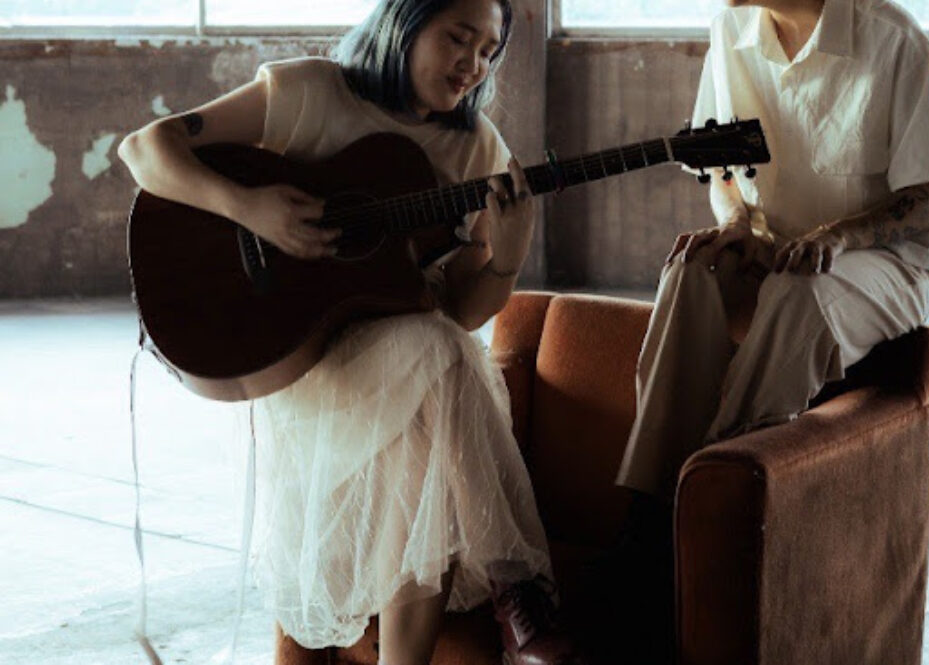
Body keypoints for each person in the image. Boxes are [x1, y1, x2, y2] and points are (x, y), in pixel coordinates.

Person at [117, 1, 583, 663]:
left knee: (428, 427)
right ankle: (519, 585)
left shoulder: (478, 149)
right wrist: (251, 208)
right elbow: (144, 148)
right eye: (458, 37)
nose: (473, 65)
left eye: (488, 51)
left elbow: (462, 307)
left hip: (418, 372)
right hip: (309, 365)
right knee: (442, 353)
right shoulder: (309, 91)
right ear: (405, 21)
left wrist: (506, 258)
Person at [609, 0, 929, 655]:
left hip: (884, 262)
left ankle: (719, 503)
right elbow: (723, 171)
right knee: (690, 270)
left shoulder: (894, 38)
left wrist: (836, 237)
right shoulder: (730, 30)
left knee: (799, 294)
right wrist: (737, 225)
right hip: (776, 246)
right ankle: (650, 518)